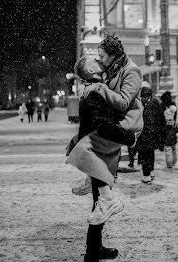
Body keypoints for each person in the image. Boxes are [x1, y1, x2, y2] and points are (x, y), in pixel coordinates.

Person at [66, 56, 140, 262]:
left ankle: (94, 248)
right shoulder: (95, 93)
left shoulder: (93, 89)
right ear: (90, 70)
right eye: (95, 60)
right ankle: (92, 253)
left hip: (95, 152)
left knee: (99, 205)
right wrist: (128, 138)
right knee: (102, 204)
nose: (99, 60)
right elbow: (104, 125)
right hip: (97, 153)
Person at [135, 86, 166, 184]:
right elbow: (162, 119)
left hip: (144, 134)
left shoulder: (141, 104)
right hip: (153, 134)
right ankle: (151, 171)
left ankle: (146, 175)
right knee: (150, 153)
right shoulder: (156, 103)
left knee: (144, 154)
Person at [160, 91, 178, 168]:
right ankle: (174, 161)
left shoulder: (162, 105)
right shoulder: (174, 124)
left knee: (168, 150)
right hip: (173, 138)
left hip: (166, 138)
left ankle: (169, 163)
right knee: (173, 149)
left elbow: (161, 131)